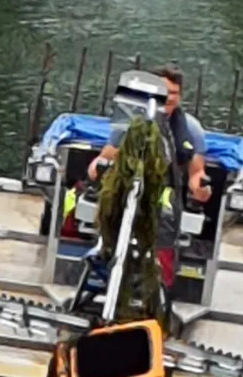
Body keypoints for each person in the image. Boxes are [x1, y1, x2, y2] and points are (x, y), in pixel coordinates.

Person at [86, 65, 211, 287]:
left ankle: (158, 290)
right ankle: (107, 274)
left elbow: (197, 171)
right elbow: (107, 156)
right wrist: (97, 166)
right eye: (165, 92)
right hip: (129, 188)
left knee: (163, 243)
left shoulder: (191, 129)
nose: (169, 98)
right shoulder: (130, 123)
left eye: (174, 93)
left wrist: (200, 187)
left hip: (164, 195)